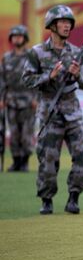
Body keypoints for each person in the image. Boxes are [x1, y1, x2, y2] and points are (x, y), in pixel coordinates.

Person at [22, 5, 83, 215]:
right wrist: (48, 76)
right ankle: (47, 199)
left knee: (81, 154)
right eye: (62, 22)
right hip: (49, 112)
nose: (67, 25)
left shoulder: (78, 52)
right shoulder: (37, 52)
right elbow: (26, 79)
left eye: (69, 22)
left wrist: (78, 74)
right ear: (52, 25)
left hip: (73, 112)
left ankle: (74, 197)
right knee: (48, 159)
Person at [0, 25, 37, 171]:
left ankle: (24, 162)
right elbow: (2, 80)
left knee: (26, 133)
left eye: (20, 36)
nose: (17, 39)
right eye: (14, 36)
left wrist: (36, 98)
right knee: (14, 133)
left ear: (25, 38)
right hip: (11, 100)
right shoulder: (6, 58)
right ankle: (16, 161)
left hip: (28, 101)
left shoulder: (32, 57)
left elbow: (37, 79)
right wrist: (2, 98)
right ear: (11, 39)